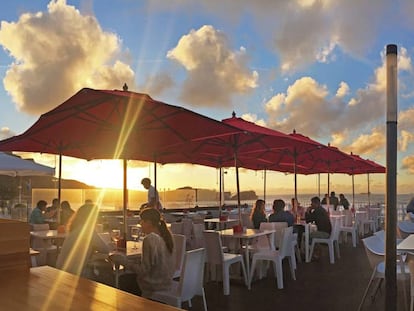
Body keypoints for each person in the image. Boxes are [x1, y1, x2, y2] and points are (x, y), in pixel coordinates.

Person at [124, 208, 174, 297]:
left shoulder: (150, 239)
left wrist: (124, 262)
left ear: (149, 222)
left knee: (123, 279)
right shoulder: (166, 236)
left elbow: (143, 271)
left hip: (153, 285)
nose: (140, 224)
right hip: (166, 282)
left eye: (142, 221)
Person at [56, 203, 113, 278]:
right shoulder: (87, 230)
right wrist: (111, 245)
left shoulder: (74, 229)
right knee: (106, 269)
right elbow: (105, 249)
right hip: (76, 273)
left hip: (60, 270)